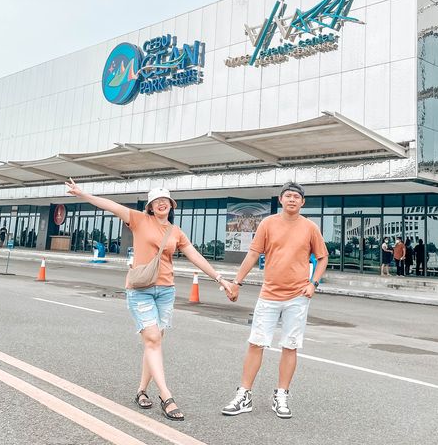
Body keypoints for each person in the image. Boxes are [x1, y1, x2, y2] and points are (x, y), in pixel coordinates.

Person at [65, 178, 233, 422]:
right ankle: (167, 396)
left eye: (166, 200)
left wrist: (220, 278)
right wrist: (83, 194)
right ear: (151, 207)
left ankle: (141, 391)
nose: (162, 203)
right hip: (141, 289)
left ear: (171, 206)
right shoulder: (139, 220)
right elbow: (110, 206)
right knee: (153, 339)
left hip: (166, 291)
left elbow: (195, 256)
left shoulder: (176, 232)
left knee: (152, 343)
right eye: (157, 201)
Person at [222, 182, 329, 419]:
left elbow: (322, 258)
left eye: (296, 197)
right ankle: (244, 394)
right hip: (269, 294)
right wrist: (236, 282)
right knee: (256, 343)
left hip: (298, 297)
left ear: (302, 202)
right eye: (288, 196)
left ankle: (281, 395)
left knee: (290, 346)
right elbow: (253, 253)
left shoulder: (310, 228)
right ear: (281, 200)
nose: (292, 199)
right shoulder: (268, 224)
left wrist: (314, 283)